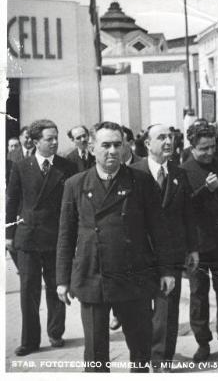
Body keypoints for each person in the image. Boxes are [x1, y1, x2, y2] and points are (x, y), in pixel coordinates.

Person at [56, 121, 176, 372]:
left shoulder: (141, 181)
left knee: (140, 350)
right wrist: (62, 279)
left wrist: (166, 270)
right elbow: (66, 236)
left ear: (125, 147)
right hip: (92, 276)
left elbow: (160, 231)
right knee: (95, 354)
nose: (112, 151)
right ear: (91, 148)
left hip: (134, 277)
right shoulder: (75, 184)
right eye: (105, 145)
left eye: (117, 145)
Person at [131, 124, 200, 371]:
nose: (168, 141)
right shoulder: (132, 172)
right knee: (140, 309)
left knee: (167, 308)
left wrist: (192, 248)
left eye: (170, 136)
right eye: (161, 137)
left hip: (170, 252)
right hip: (140, 252)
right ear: (148, 144)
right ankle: (142, 355)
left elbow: (188, 215)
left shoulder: (179, 173)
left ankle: (161, 361)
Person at [6, 119, 77, 356]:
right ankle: (30, 340)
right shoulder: (21, 166)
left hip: (57, 237)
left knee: (57, 288)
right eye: (49, 138)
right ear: (36, 141)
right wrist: (8, 235)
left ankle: (55, 332)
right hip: (28, 238)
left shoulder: (67, 167)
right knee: (28, 290)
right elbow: (12, 201)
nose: (55, 142)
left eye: (56, 137)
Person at [181, 124, 218, 362]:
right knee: (199, 294)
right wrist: (207, 190)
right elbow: (183, 209)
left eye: (212, 147)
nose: (209, 152)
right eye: (203, 148)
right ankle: (202, 341)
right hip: (198, 245)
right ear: (192, 147)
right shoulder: (183, 171)